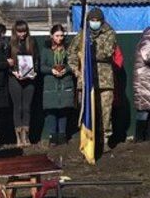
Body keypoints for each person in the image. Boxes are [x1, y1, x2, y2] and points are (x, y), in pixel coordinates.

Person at [69, 8, 118, 147]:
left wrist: (88, 52)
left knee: (105, 112)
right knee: (87, 111)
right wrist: (76, 70)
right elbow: (71, 54)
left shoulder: (109, 33)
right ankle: (89, 140)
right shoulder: (82, 35)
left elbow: (107, 53)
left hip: (104, 81)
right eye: (92, 20)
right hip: (86, 81)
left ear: (102, 21)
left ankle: (105, 139)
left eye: (97, 21)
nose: (94, 23)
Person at [38, 24, 75, 145]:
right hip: (51, 84)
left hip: (65, 83)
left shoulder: (68, 49)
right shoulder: (46, 50)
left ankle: (62, 135)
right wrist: (51, 70)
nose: (60, 38)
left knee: (63, 109)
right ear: (52, 36)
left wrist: (66, 69)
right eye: (57, 36)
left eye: (62, 36)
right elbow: (42, 66)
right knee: (51, 110)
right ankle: (53, 135)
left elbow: (73, 64)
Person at [8, 20, 39, 147]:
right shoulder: (9, 43)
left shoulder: (31, 42)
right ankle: (18, 137)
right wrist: (13, 72)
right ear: (15, 31)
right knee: (18, 107)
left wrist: (34, 72)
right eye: (20, 31)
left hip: (29, 79)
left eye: (24, 31)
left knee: (27, 107)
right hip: (15, 79)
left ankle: (26, 136)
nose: (22, 34)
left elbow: (36, 59)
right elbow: (8, 62)